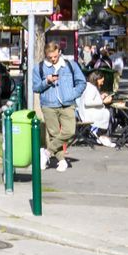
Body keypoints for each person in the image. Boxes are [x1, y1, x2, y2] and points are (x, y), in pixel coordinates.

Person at [33, 42, 86, 171]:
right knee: (54, 133)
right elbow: (36, 87)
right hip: (49, 104)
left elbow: (82, 82)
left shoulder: (69, 65)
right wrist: (47, 81)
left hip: (67, 104)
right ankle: (62, 161)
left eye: (55, 56)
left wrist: (73, 94)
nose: (53, 59)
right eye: (50, 57)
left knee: (70, 131)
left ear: (59, 53)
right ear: (46, 55)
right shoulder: (39, 68)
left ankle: (46, 153)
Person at [76, 71, 116, 148]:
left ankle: (101, 134)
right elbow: (88, 102)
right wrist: (103, 102)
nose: (102, 83)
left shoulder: (89, 87)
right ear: (97, 79)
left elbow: (91, 99)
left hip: (87, 112)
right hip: (89, 114)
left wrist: (101, 97)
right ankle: (100, 133)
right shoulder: (91, 88)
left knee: (108, 112)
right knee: (109, 112)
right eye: (102, 81)